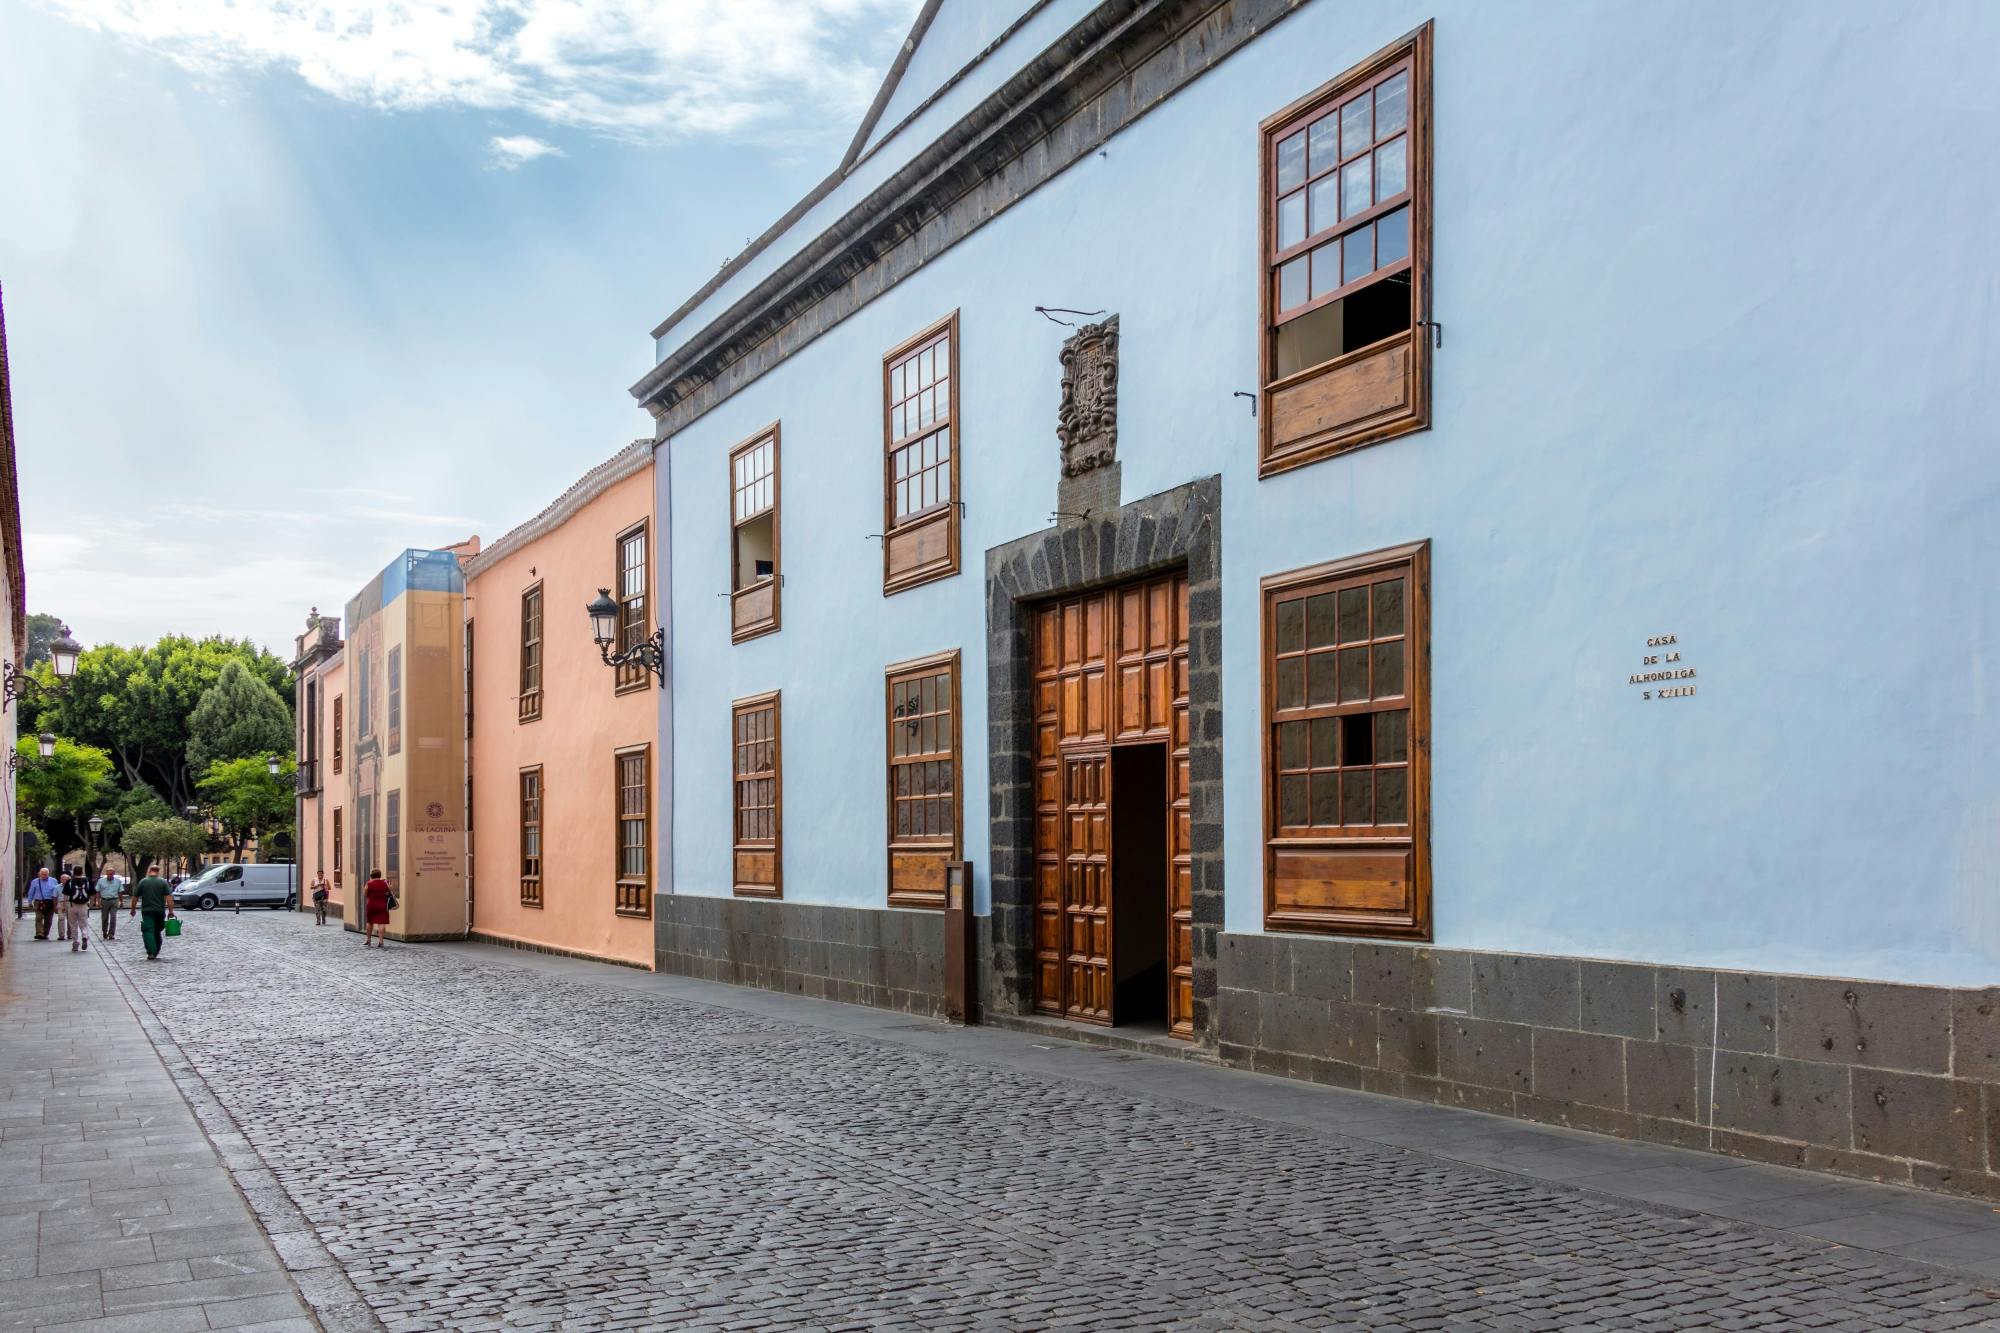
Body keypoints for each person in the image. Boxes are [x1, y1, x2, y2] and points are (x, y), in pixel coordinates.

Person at [131, 864, 175, 961]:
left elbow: (135, 897)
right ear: (158, 871)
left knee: (148, 930)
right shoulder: (163, 882)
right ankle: (156, 951)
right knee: (157, 931)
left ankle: (151, 951)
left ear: (149, 871)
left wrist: (133, 909)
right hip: (159, 911)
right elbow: (169, 898)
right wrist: (171, 911)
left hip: (147, 911)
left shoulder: (143, 882)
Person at [26, 867, 60, 940]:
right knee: (39, 917)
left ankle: (45, 934)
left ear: (48, 874)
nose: (44, 876)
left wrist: (57, 903)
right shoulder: (35, 881)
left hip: (50, 902)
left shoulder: (54, 881)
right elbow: (31, 892)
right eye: (42, 874)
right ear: (39, 874)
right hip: (38, 902)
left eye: (45, 874)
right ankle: (39, 933)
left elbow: (57, 891)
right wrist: (29, 902)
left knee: (49, 920)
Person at [62, 872, 93, 952]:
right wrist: (91, 903)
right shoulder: (87, 881)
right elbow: (92, 893)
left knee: (73, 925)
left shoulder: (69, 881)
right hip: (83, 905)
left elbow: (65, 894)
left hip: (72, 905)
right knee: (84, 923)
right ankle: (85, 936)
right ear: (82, 872)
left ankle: (75, 942)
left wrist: (64, 905)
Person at [362, 870, 391, 947]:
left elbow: (365, 894)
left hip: (371, 904)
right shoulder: (385, 883)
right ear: (379, 875)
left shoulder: (369, 883)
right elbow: (389, 892)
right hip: (382, 905)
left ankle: (368, 940)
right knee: (381, 923)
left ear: (371, 875)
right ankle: (381, 941)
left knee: (369, 922)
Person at [94, 868, 122, 940]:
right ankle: (104, 931)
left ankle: (111, 933)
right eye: (108, 874)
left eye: (111, 874)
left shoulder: (118, 881)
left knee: (113, 917)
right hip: (104, 900)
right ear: (106, 874)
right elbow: (97, 891)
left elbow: (120, 892)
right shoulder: (101, 881)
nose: (110, 875)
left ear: (114, 874)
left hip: (114, 900)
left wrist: (121, 901)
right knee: (104, 918)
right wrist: (98, 901)